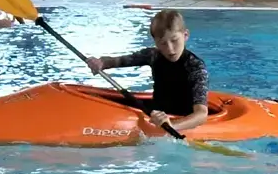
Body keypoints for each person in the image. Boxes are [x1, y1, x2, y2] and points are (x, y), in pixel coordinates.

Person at [82, 8, 211, 136]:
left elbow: (201, 114)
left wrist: (172, 126)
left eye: (174, 40)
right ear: (155, 43)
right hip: (156, 114)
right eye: (163, 43)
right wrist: (101, 63)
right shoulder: (153, 55)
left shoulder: (196, 67)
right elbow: (118, 61)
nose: (170, 49)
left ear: (185, 35)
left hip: (180, 119)